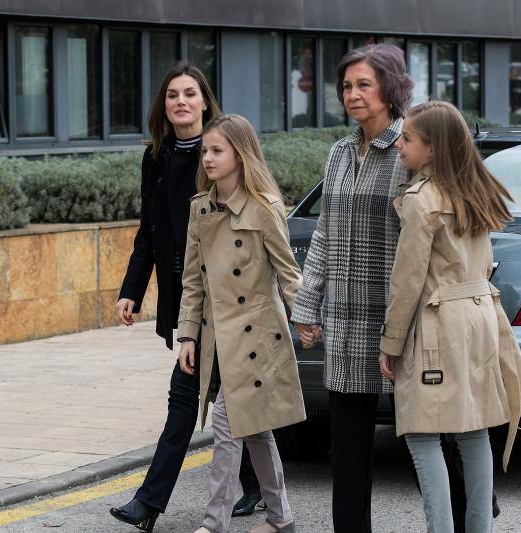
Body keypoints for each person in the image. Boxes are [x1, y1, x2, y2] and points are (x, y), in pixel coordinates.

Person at [109, 64, 263, 533]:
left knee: (187, 396)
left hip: (219, 297)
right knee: (221, 392)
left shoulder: (217, 152)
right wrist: (131, 291)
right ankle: (258, 486)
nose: (181, 101)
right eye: (173, 94)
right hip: (183, 295)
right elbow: (148, 231)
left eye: (190, 93)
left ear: (204, 101)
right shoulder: (155, 156)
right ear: (165, 104)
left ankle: (148, 504)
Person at [378, 100, 521, 533]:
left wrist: (390, 345)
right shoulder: (474, 190)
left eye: (407, 139)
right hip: (480, 317)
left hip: (437, 326)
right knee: (473, 429)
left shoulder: (421, 199)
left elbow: (407, 281)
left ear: (432, 149)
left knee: (422, 433)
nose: (398, 146)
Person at [290, 44, 413, 533]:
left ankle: (468, 510)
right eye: (347, 86)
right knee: (349, 453)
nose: (353, 94)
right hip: (344, 322)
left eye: (364, 84)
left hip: (397, 321)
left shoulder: (410, 148)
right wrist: (307, 304)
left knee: (431, 439)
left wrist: (404, 322)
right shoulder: (340, 153)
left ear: (391, 88)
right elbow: (323, 233)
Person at [177, 114, 305, 533]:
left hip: (256, 338)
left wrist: (304, 318)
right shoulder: (200, 209)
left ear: (240, 154)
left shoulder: (264, 207)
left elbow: (288, 272)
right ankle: (280, 516)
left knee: (227, 429)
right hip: (218, 339)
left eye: (217, 150)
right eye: (205, 151)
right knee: (254, 431)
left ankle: (213, 524)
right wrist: (187, 335)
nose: (208, 158)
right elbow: (192, 281)